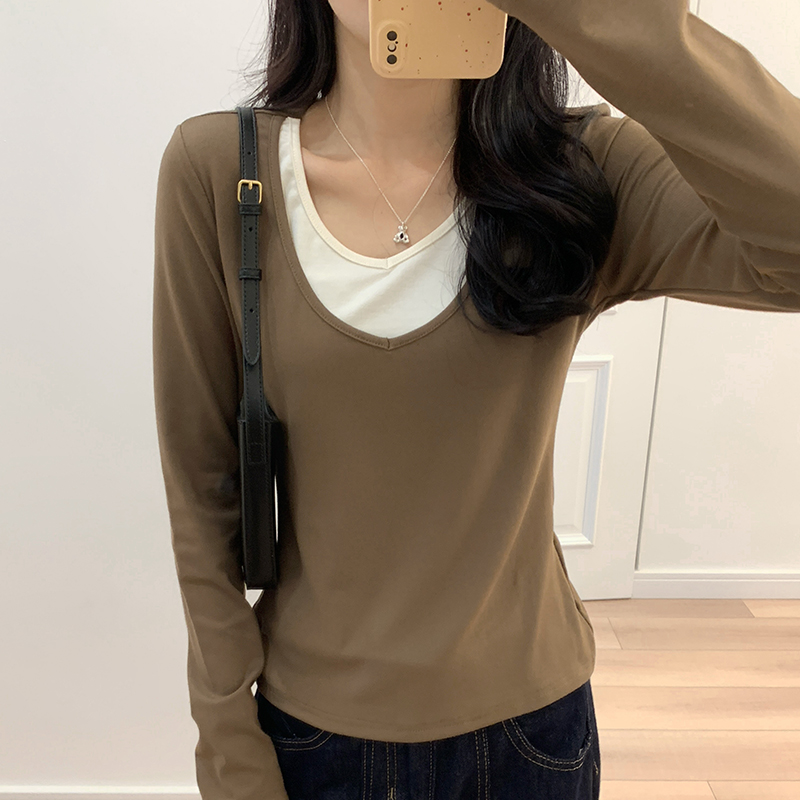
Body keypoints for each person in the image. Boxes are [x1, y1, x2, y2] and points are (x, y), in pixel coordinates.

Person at [152, 1, 800, 798]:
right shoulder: (222, 171)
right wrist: (230, 757)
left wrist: (588, 16)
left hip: (529, 737)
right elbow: (201, 492)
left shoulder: (583, 172)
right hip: (312, 739)